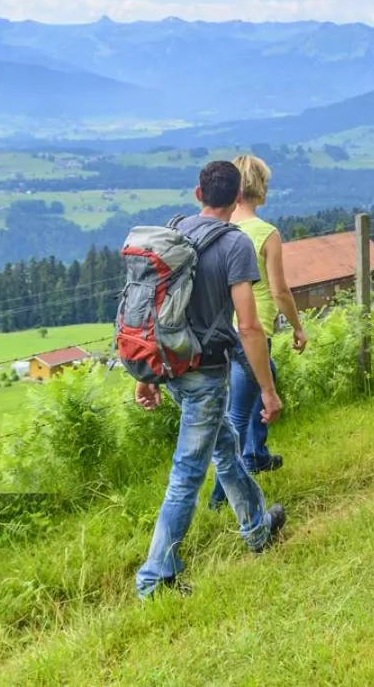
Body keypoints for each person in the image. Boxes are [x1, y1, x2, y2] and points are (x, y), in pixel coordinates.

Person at [134, 161, 287, 598]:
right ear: (238, 198)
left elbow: (148, 307)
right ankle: (155, 579)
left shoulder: (174, 231)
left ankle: (256, 528)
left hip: (170, 366)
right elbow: (251, 326)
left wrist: (146, 375)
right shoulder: (235, 245)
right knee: (186, 475)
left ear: (197, 193)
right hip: (205, 373)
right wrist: (268, 390)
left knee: (225, 447)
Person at [208, 155, 308, 510]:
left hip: (222, 330)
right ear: (261, 187)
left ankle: (258, 454)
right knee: (237, 417)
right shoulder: (266, 234)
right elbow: (280, 291)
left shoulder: (220, 229)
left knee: (264, 381)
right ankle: (221, 499)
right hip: (254, 330)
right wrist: (297, 327)